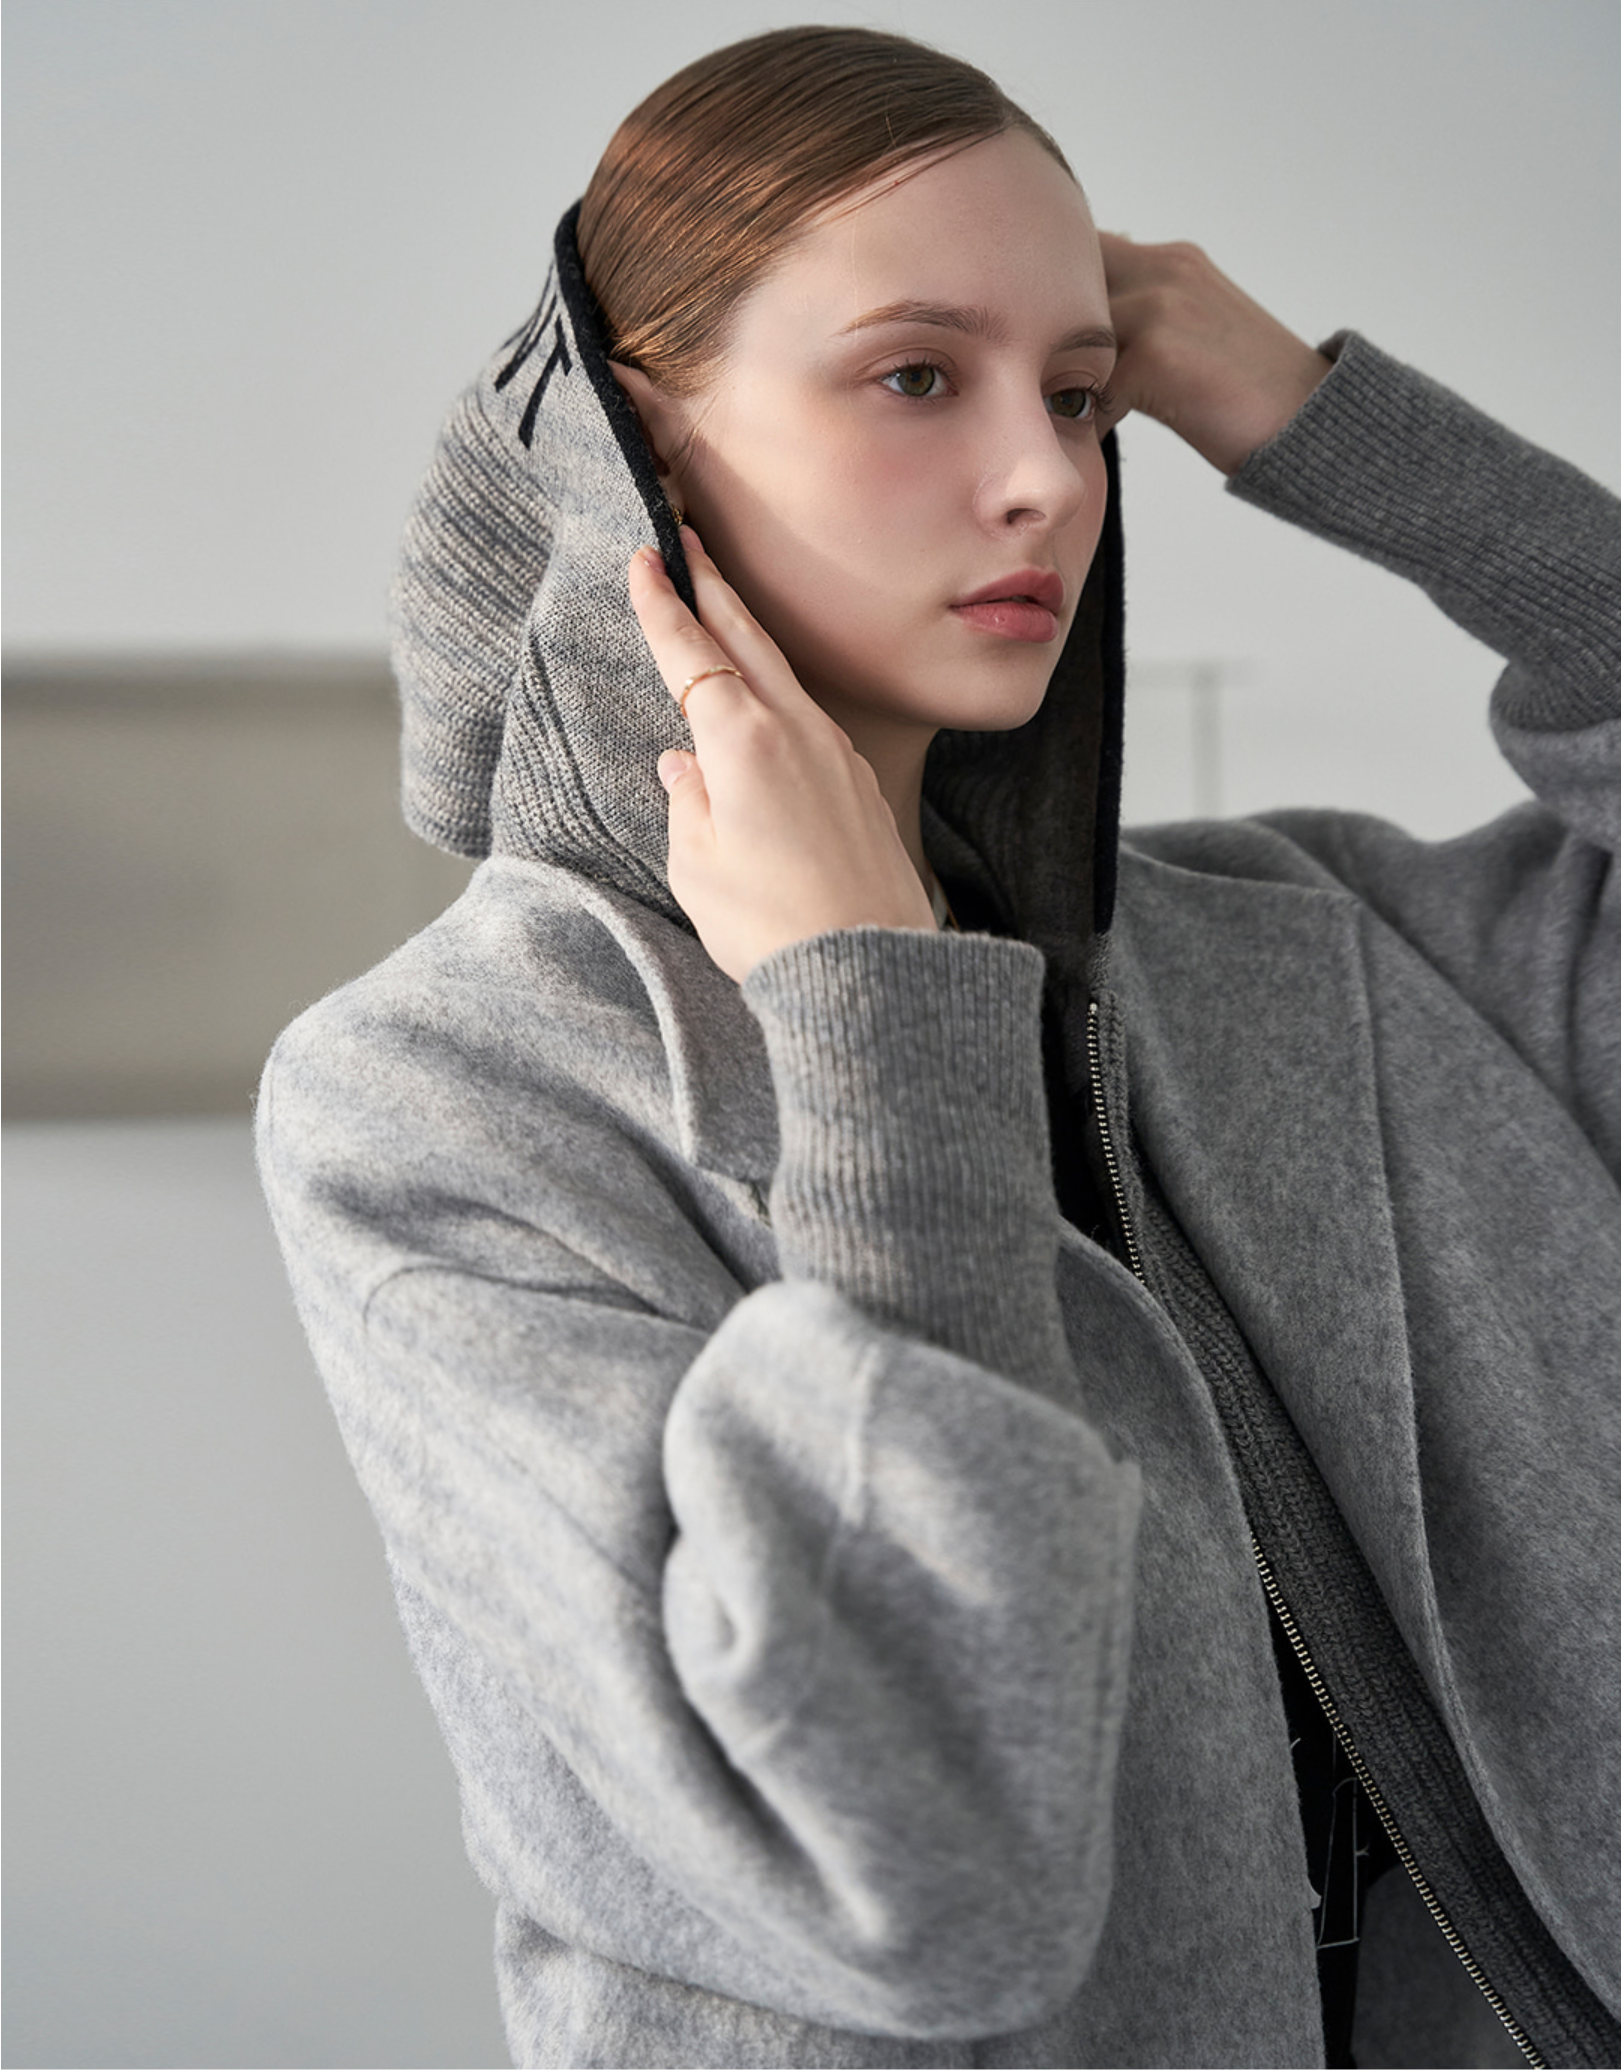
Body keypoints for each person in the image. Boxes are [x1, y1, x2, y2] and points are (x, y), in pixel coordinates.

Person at [256, 25, 1619, 2070]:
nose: (1045, 476)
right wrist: (870, 1032)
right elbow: (919, 1882)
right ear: (634, 451)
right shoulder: (442, 1102)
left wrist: (1318, 425)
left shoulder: (1318, 941)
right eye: (914, 376)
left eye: (1077, 394)